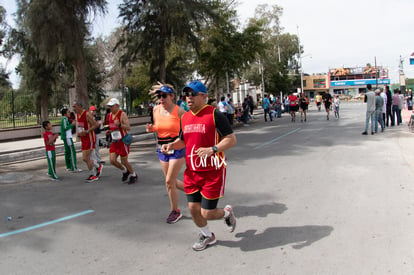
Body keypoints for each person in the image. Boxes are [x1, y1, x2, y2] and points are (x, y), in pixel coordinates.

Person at [162, 80, 237, 251]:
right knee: (193, 209)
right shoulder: (185, 117)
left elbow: (231, 139)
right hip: (192, 172)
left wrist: (213, 149)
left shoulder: (214, 114)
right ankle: (207, 235)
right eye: (186, 94)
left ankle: (226, 213)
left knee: (207, 213)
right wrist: (171, 145)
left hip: (213, 171)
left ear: (204, 96)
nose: (189, 98)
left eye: (193, 94)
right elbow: (183, 140)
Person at [145, 84, 186, 224]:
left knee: (169, 181)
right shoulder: (156, 110)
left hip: (177, 148)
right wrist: (152, 128)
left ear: (172, 96)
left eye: (164, 96)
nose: (161, 99)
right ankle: (194, 191)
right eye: (159, 96)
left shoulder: (179, 111)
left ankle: (175, 211)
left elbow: (186, 132)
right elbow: (159, 127)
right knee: (172, 181)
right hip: (162, 148)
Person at [106, 98, 138, 184]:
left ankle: (134, 175)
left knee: (124, 161)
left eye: (112, 106)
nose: (110, 108)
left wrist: (120, 124)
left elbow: (128, 127)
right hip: (114, 141)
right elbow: (112, 127)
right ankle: (125, 171)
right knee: (112, 160)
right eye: (109, 106)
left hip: (122, 141)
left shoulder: (122, 114)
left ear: (117, 106)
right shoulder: (110, 115)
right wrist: (109, 131)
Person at [73, 100, 103, 182]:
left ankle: (93, 175)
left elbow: (96, 125)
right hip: (83, 139)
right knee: (85, 159)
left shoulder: (86, 114)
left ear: (79, 106)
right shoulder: (78, 115)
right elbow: (80, 126)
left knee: (87, 158)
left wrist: (87, 131)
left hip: (90, 138)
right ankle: (98, 166)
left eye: (74, 106)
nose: (73, 108)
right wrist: (79, 134)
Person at [60, 108, 81, 172]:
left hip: (67, 137)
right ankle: (74, 167)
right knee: (72, 151)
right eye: (68, 112)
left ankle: (68, 166)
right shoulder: (64, 119)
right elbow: (65, 127)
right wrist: (72, 124)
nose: (69, 113)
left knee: (68, 152)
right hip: (67, 137)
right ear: (65, 114)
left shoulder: (66, 119)